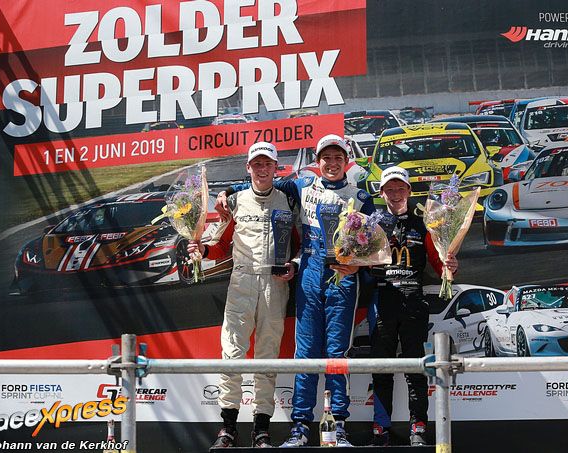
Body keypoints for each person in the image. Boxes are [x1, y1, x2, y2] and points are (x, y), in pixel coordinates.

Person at [216, 134, 374, 447]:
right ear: (317, 161)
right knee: (305, 354)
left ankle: (338, 427)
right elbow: (261, 184)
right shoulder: (302, 186)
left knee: (337, 355)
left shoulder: (360, 196)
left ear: (347, 161)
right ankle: (300, 427)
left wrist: (358, 265)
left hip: (342, 280)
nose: (332, 163)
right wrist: (227, 191)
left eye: (338, 158)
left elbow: (371, 247)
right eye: (326, 158)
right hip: (309, 276)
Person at [189, 142, 299, 448]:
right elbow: (220, 246)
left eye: (268, 164)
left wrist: (294, 264)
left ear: (276, 168)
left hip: (275, 284)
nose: (262, 169)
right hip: (241, 282)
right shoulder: (234, 201)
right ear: (248, 168)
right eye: (257, 164)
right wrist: (202, 250)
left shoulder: (289, 201)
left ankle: (261, 429)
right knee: (232, 354)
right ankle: (227, 428)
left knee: (268, 356)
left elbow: (302, 244)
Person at [367, 166, 459, 447]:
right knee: (381, 367)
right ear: (382, 193)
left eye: (400, 188)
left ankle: (418, 425)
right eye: (390, 189)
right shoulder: (372, 224)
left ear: (409, 191)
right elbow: (359, 263)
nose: (395, 194)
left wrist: (450, 265)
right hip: (382, 300)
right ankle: (380, 428)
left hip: (413, 301)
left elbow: (439, 263)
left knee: (416, 366)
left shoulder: (425, 223)